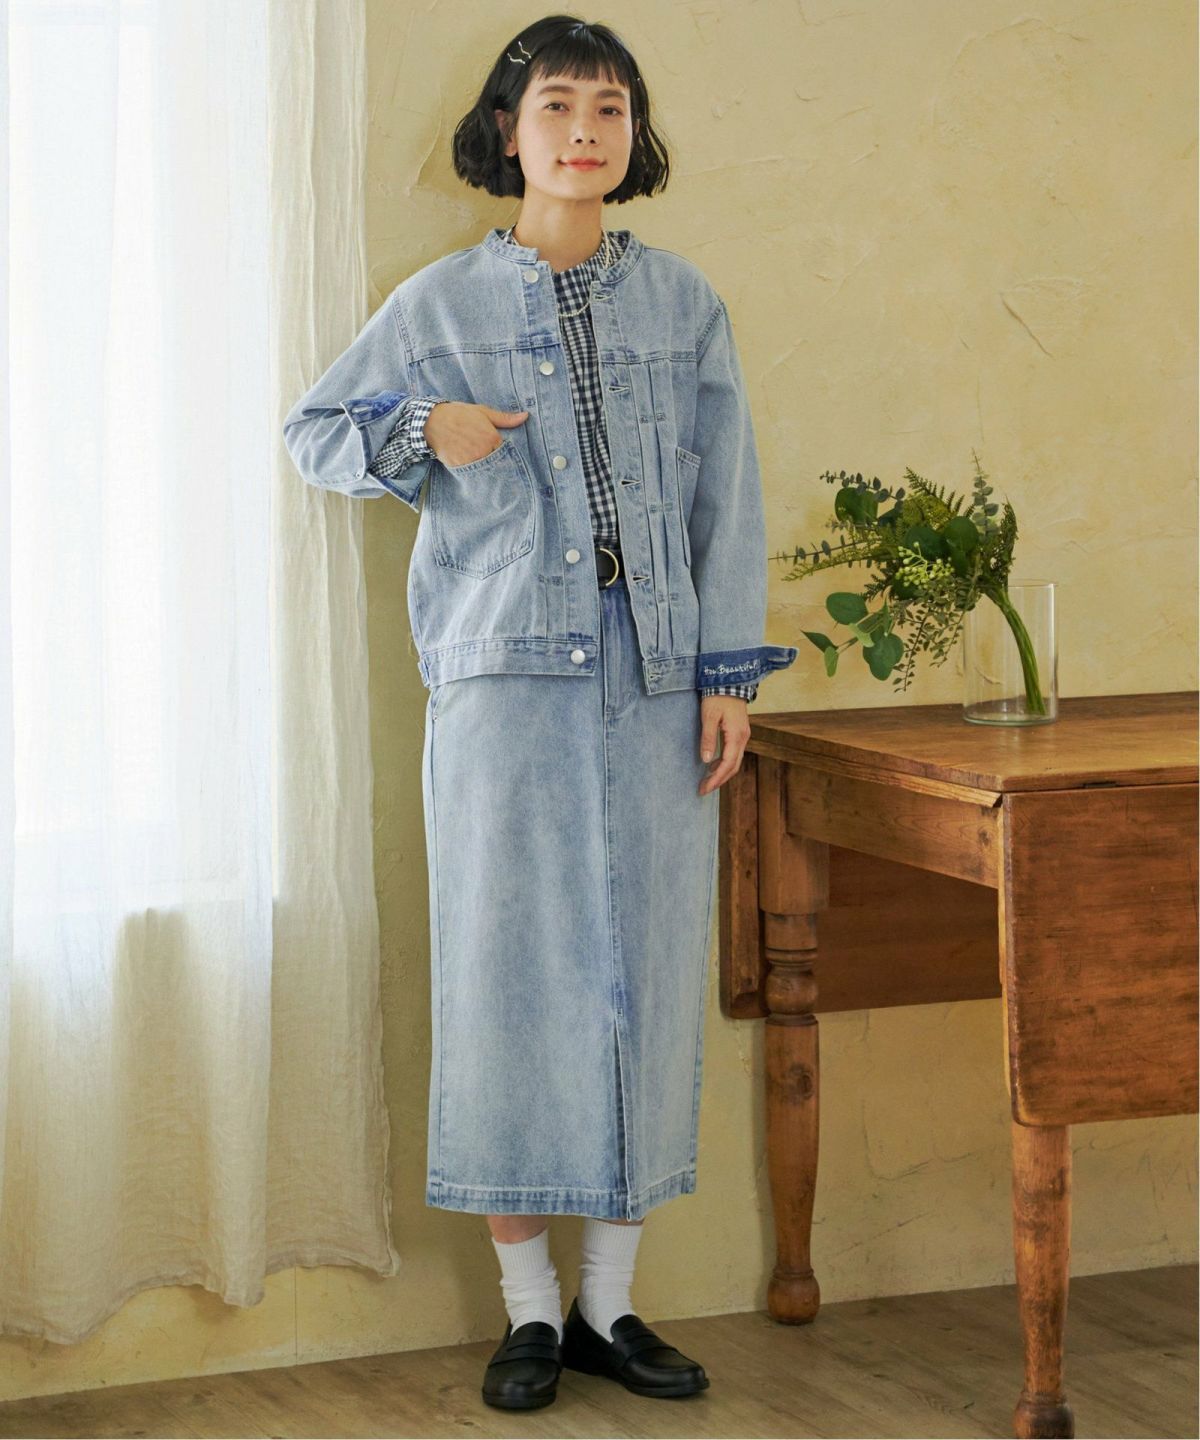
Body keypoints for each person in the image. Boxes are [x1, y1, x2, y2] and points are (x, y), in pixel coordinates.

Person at [282, 12, 797, 1413]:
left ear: (633, 138)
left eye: (610, 109)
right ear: (508, 133)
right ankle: (525, 1313)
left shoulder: (683, 304)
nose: (585, 131)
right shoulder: (437, 308)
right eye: (558, 106)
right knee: (503, 981)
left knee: (646, 982)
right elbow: (315, 431)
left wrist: (726, 677)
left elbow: (728, 493)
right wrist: (422, 432)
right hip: (503, 688)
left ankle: (609, 1310)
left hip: (658, 688)